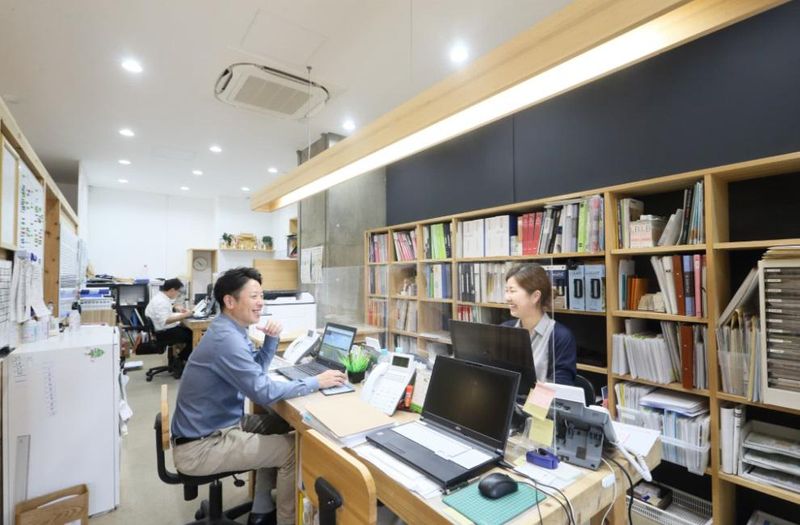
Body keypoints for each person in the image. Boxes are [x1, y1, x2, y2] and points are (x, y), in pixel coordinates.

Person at [170, 267, 346, 525]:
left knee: (281, 425)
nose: (261, 302)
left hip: (216, 427)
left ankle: (261, 509)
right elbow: (262, 392)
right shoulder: (227, 339)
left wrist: (271, 339)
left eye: (262, 295)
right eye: (254, 296)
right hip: (202, 447)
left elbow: (256, 372)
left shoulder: (230, 329)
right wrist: (316, 381)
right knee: (292, 450)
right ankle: (286, 521)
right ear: (230, 301)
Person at [502, 263, 577, 385]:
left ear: (535, 296)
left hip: (540, 398)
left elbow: (561, 386)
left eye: (512, 291)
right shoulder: (505, 329)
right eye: (506, 291)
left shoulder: (560, 336)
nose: (507, 297)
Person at [144, 278, 194, 361]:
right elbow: (166, 320)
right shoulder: (161, 301)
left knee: (187, 331)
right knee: (193, 336)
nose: (178, 294)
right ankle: (181, 359)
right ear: (172, 290)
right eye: (178, 291)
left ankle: (180, 358)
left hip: (160, 331)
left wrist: (177, 309)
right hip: (163, 333)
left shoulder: (160, 297)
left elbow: (165, 313)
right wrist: (185, 315)